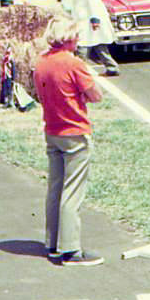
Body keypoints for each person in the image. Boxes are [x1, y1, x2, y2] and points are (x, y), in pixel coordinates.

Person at [33, 17, 104, 266]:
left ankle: (52, 243)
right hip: (73, 132)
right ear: (69, 38)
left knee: (55, 188)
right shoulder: (74, 64)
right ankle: (71, 250)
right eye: (76, 35)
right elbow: (96, 95)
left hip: (51, 129)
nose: (78, 40)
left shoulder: (41, 61)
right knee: (72, 192)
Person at [71, 0, 118, 76]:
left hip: (88, 17)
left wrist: (95, 18)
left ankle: (79, 71)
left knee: (83, 45)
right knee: (97, 43)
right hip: (84, 16)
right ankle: (111, 66)